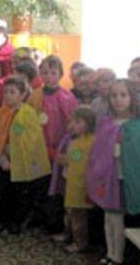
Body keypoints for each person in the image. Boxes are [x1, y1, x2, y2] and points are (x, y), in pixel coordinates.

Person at [87, 79, 140, 265]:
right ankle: (110, 253)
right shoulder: (106, 123)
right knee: (109, 218)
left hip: (126, 180)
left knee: (119, 219)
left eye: (123, 95)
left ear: (132, 98)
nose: (118, 99)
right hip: (109, 179)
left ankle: (119, 257)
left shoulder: (138, 126)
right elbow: (98, 152)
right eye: (114, 95)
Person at [0, 76, 50, 235]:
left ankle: (15, 221)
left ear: (22, 95)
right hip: (2, 159)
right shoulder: (0, 113)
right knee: (1, 191)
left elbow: (32, 139)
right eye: (5, 92)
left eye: (12, 92)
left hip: (20, 161)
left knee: (18, 193)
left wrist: (14, 156)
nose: (8, 95)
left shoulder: (28, 113)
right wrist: (2, 156)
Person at [39, 55, 78, 233]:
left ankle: (56, 224)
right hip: (39, 146)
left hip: (58, 147)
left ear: (60, 74)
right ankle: (41, 218)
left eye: (53, 73)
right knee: (42, 183)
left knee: (57, 186)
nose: (49, 77)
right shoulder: (36, 95)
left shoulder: (66, 96)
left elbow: (73, 123)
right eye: (45, 72)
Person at [50, 106, 96, 253]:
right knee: (69, 211)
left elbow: (84, 163)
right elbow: (72, 158)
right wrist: (63, 160)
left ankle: (80, 242)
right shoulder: (73, 139)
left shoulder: (91, 141)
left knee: (78, 216)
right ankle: (68, 234)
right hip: (70, 181)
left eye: (78, 122)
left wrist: (66, 160)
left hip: (81, 185)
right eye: (72, 121)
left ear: (88, 123)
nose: (72, 125)